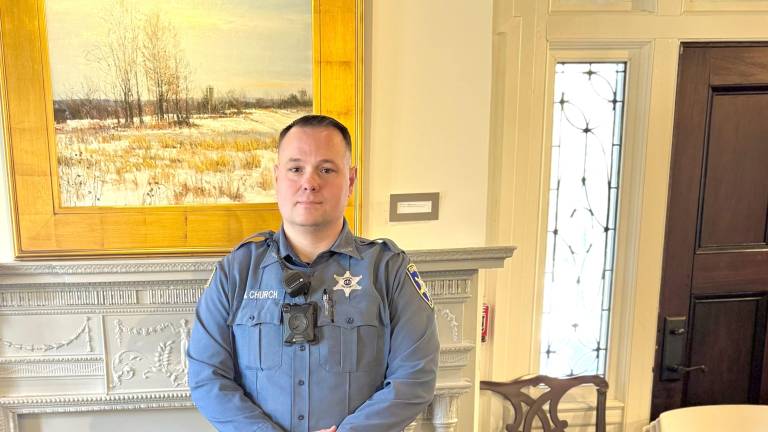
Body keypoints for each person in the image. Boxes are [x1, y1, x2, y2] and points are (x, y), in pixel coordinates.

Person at [187, 114, 440, 432]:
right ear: (277, 178)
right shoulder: (236, 273)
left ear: (350, 181)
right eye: (296, 169)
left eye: (326, 169)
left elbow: (415, 377)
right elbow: (206, 376)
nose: (309, 182)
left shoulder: (390, 271)